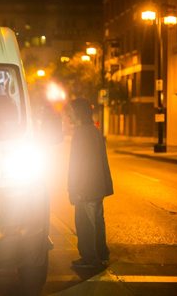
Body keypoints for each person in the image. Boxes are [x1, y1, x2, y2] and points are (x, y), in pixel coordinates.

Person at [67, 98, 113, 269]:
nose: (68, 115)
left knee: (86, 223)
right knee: (97, 222)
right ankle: (101, 254)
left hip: (85, 188)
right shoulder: (93, 131)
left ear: (78, 113)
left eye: (70, 111)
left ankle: (90, 257)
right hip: (96, 186)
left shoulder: (81, 133)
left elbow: (79, 164)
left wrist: (75, 189)